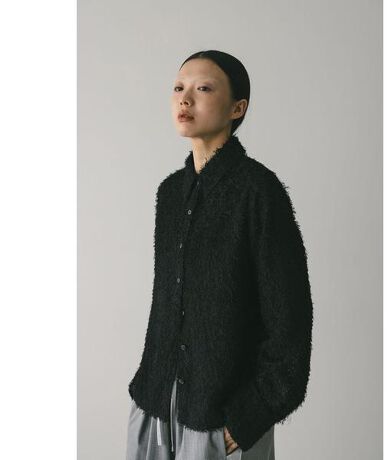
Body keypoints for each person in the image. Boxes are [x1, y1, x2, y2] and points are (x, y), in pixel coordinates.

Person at [125, 50, 314, 460]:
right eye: (179, 87)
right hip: (155, 410)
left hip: (221, 422)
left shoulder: (258, 193)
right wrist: (148, 386)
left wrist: (249, 418)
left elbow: (291, 322)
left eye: (204, 88)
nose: (185, 98)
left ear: (237, 108)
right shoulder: (170, 194)